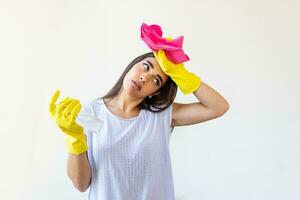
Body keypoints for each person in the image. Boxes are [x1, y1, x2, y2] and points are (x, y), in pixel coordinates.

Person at [48, 23, 229, 200]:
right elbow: (81, 185)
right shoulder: (92, 115)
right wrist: (75, 140)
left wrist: (182, 75)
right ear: (133, 65)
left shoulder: (161, 116)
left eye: (156, 80)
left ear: (156, 92)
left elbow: (218, 107)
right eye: (146, 66)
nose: (144, 77)